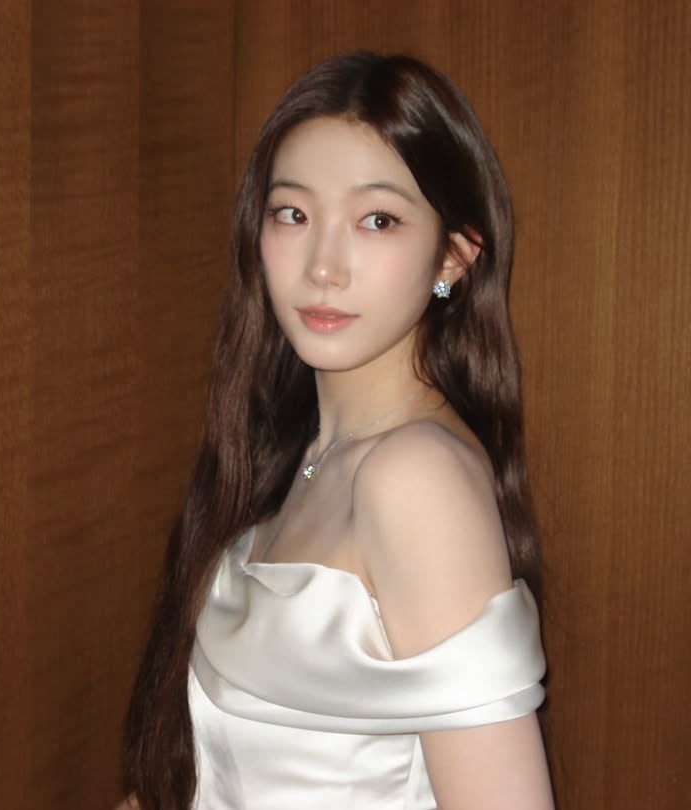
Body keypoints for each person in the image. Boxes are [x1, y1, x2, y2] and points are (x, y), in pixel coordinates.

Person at [120, 51, 553, 810]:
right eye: (293, 214)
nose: (323, 266)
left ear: (454, 257)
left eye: (377, 220)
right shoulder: (300, 452)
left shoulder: (413, 476)